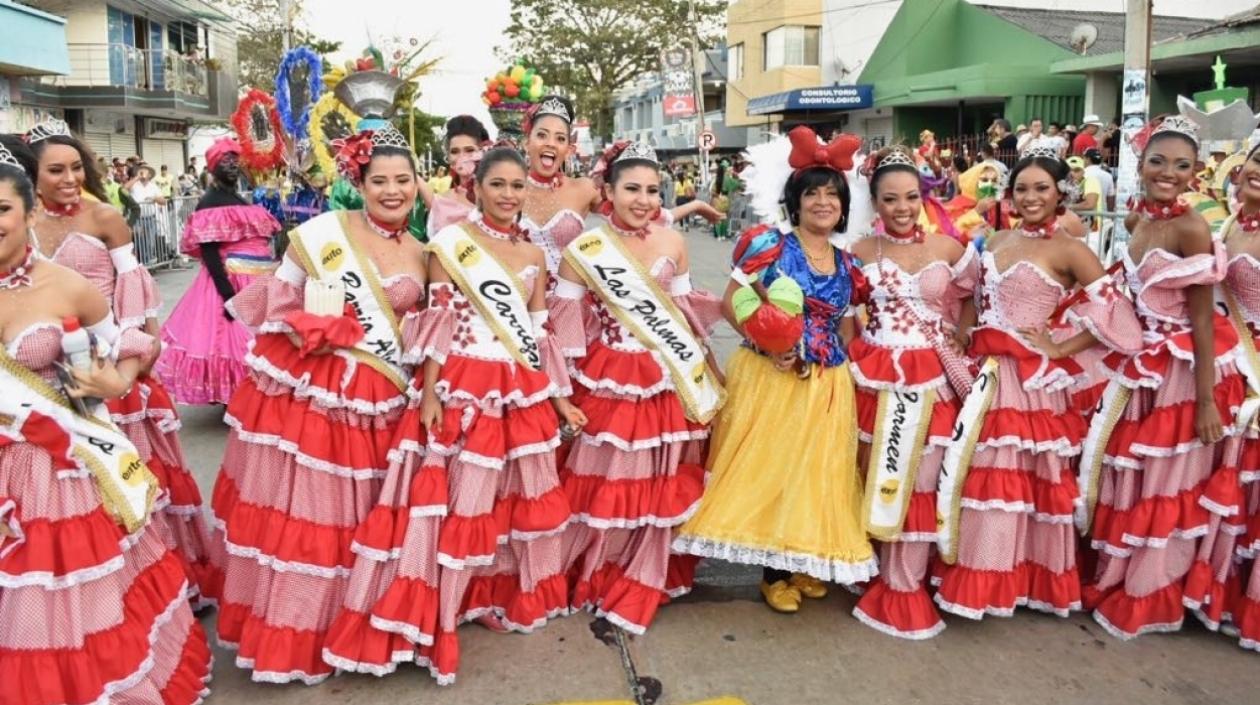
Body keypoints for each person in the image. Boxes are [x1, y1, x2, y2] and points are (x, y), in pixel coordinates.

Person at [323, 147, 583, 684]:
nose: (509, 195)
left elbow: (536, 334)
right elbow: (437, 321)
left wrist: (559, 399)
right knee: (452, 507)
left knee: (503, 509)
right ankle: (435, 618)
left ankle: (482, 597)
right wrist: (431, 393)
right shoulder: (450, 245)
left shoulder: (534, 255)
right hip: (463, 386)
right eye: (498, 185)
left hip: (517, 390)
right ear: (477, 187)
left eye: (517, 186)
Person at [0, 137, 213, 705]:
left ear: (24, 209)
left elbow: (134, 339)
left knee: (52, 592)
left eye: (1, 209)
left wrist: (117, 381)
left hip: (51, 466)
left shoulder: (62, 284)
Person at [211, 124, 427, 684]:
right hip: (320, 396)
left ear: (416, 182)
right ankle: (302, 630)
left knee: (365, 518)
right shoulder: (323, 232)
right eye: (380, 180)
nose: (393, 190)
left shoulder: (428, 252)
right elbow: (278, 304)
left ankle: (359, 621)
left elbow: (427, 331)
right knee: (313, 517)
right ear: (360, 181)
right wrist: (312, 322)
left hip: (381, 400)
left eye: (403, 179)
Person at [933, 145, 1142, 623]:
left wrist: (1062, 349)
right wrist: (964, 330)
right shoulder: (999, 239)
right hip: (985, 371)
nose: (1030, 197)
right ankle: (986, 571)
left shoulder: (1070, 250)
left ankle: (1014, 581)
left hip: (1030, 383)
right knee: (980, 478)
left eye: (1041, 189)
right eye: (1022, 188)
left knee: (1016, 481)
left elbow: (1119, 314)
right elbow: (972, 296)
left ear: (1060, 193)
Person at [674, 126, 877, 613]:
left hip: (826, 382)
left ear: (844, 205)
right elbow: (731, 303)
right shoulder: (768, 244)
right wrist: (769, 346)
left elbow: (849, 326)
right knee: (774, 470)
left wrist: (838, 372)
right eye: (813, 193)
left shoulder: (848, 264)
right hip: (771, 378)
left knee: (817, 473)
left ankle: (801, 561)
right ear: (796, 200)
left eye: (832, 194)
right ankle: (773, 574)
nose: (823, 202)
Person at [1080, 114, 1246, 640]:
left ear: (1197, 172)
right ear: (1142, 164)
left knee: (1165, 487)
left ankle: (1154, 592)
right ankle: (1123, 577)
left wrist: (1205, 403)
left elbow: (1202, 318)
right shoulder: (1135, 220)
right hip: (1139, 365)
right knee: (1131, 478)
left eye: (1181, 165)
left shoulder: (1192, 227)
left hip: (1180, 372)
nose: (1167, 173)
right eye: (1158, 161)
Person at [553, 141, 724, 631]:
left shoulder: (674, 242)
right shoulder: (585, 250)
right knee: (610, 481)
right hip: (610, 376)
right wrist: (563, 393)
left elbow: (687, 313)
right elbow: (566, 326)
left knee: (657, 482)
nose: (644, 200)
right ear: (607, 191)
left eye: (653, 190)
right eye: (632, 189)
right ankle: (602, 569)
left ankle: (645, 567)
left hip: (668, 377)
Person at [848, 146, 979, 638]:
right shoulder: (859, 251)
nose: (901, 208)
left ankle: (906, 581)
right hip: (875, 371)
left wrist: (961, 334)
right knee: (874, 473)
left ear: (923, 196)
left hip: (934, 378)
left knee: (922, 477)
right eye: (890, 199)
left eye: (909, 197)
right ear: (875, 203)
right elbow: (842, 313)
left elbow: (973, 295)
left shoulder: (949, 247)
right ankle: (871, 567)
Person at [155, 136, 281, 405]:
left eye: (235, 160)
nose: (233, 165)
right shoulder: (210, 201)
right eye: (226, 161)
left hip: (255, 280)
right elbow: (210, 254)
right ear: (213, 167)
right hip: (231, 283)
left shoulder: (235, 196)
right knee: (233, 343)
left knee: (257, 340)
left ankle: (254, 393)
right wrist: (227, 294)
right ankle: (237, 396)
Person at [1200, 141, 1260, 652]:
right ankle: (1217, 592)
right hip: (1230, 361)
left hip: (1256, 366)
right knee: (1229, 481)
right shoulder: (1231, 221)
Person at [424, 114, 488, 234]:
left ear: (482, 151)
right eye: (455, 151)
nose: (462, 157)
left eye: (469, 150)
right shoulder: (441, 201)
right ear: (448, 156)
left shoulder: (494, 195)